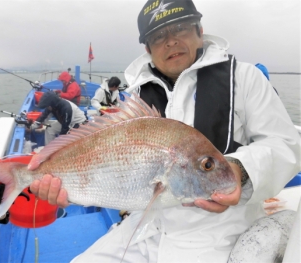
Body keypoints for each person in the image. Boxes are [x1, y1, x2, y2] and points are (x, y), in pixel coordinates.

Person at [29, 0, 300, 262]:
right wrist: (68, 187)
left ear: (199, 30)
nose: (171, 41)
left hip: (221, 233)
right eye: (158, 36)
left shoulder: (245, 77)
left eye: (180, 28)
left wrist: (239, 171)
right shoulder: (135, 95)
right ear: (148, 48)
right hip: (147, 226)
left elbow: (285, 144)